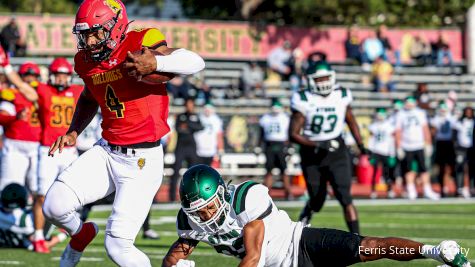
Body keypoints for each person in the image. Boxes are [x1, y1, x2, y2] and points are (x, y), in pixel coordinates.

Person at [42, 0, 205, 266]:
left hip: (142, 160)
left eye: (96, 32)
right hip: (106, 150)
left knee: (117, 246)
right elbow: (89, 96)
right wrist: (74, 131)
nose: (90, 41)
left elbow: (196, 62)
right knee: (54, 206)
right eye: (84, 34)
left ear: (115, 26)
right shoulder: (85, 61)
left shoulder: (142, 42)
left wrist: (156, 63)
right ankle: (82, 234)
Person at [162, 164, 471, 267]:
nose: (204, 216)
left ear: (221, 193)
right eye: (197, 211)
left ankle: (438, 251)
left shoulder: (246, 197)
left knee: (367, 247)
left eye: (208, 207)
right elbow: (175, 254)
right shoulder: (190, 221)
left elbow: (253, 257)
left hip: (302, 244)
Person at [289, 61, 367, 233]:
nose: (323, 82)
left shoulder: (341, 95)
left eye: (326, 78)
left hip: (336, 150)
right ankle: (306, 213)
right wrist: (318, 144)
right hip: (312, 152)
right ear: (310, 81)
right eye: (318, 79)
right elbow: (293, 134)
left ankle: (357, 239)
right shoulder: (303, 98)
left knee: (345, 197)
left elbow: (351, 120)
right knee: (317, 199)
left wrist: (361, 144)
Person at [33, 58, 84, 254]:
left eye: (65, 74)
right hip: (48, 150)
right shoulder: (44, 90)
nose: (62, 78)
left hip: (69, 150)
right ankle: (38, 237)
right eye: (58, 74)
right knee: (41, 195)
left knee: (74, 197)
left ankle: (60, 233)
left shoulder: (78, 92)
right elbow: (26, 89)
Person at [0, 63, 42, 192]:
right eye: (26, 76)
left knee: (39, 187)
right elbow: (2, 117)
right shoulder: (11, 94)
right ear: (20, 77)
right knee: (11, 185)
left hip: (39, 145)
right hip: (15, 143)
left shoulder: (44, 93)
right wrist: (15, 117)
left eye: (33, 76)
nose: (30, 79)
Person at [395, 97, 439, 200]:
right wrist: (399, 146)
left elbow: (425, 129)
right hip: (406, 145)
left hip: (419, 145)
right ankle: (411, 190)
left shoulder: (420, 112)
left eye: (411, 102)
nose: (409, 105)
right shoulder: (400, 114)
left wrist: (428, 144)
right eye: (408, 103)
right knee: (409, 169)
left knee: (424, 169)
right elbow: (398, 131)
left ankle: (427, 190)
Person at [0, 183, 66, 250]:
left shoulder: (21, 218)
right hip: (27, 237)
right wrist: (63, 235)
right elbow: (39, 244)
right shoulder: (25, 221)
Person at [170, 98, 204, 201]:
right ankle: (171, 197)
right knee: (176, 171)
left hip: (191, 147)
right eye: (188, 104)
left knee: (193, 172)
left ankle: (193, 196)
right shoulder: (181, 116)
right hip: (180, 147)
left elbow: (200, 127)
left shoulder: (195, 117)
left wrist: (188, 125)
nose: (189, 106)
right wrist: (189, 127)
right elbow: (178, 128)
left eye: (191, 104)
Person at [259, 99, 292, 200]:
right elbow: (262, 134)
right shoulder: (265, 118)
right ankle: (265, 193)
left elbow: (289, 133)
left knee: (284, 170)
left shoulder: (285, 118)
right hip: (269, 145)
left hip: (281, 144)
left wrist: (290, 146)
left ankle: (288, 192)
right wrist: (259, 145)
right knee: (269, 171)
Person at [367, 108, 396, 199]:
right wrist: (370, 152)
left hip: (386, 151)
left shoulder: (389, 126)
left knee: (387, 172)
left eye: (382, 115)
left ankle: (389, 190)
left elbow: (391, 140)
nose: (380, 117)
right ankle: (373, 190)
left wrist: (392, 154)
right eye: (379, 115)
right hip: (376, 151)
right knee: (375, 172)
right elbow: (371, 139)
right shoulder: (373, 126)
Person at [430, 101, 457, 197]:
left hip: (449, 144)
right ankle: (442, 187)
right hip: (440, 143)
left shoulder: (451, 118)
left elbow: (455, 132)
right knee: (440, 167)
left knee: (451, 167)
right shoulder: (436, 119)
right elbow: (433, 132)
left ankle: (454, 187)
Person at [454, 107, 474, 198]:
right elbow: (454, 135)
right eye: (467, 112)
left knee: (472, 169)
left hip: (472, 148)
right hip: (461, 148)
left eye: (470, 112)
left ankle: (472, 188)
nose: (468, 113)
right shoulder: (459, 122)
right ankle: (460, 188)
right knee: (460, 168)